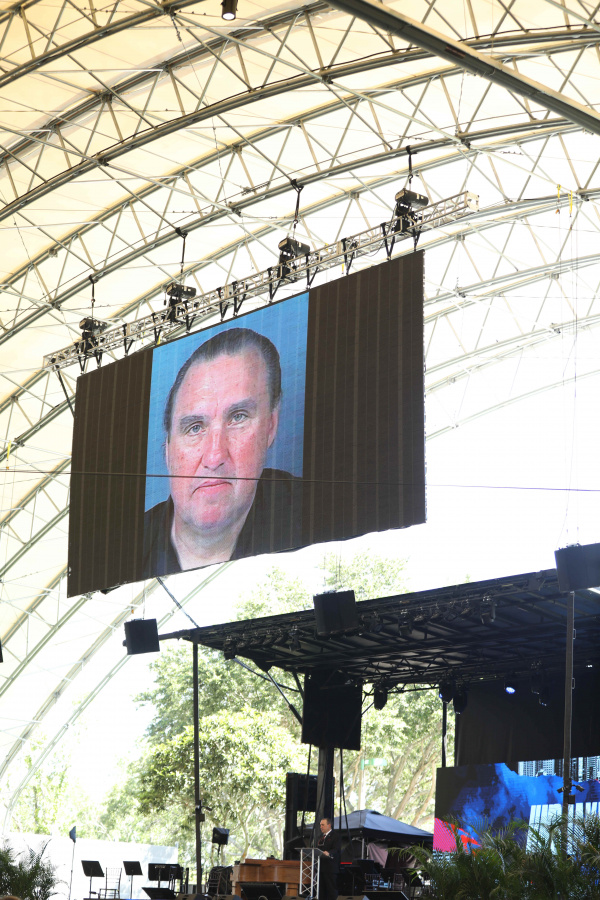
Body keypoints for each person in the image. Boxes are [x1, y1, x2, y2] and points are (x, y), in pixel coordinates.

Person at [143, 327, 302, 577]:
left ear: (271, 426)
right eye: (195, 428)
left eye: (238, 417)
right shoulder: (122, 548)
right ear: (168, 450)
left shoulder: (319, 513)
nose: (214, 457)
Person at [318, 816, 341, 900]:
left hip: (330, 868)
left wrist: (329, 853)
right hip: (321, 868)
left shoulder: (335, 836)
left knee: (331, 890)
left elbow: (336, 849)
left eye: (323, 825)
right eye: (320, 825)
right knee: (321, 890)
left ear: (329, 825)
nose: (321, 827)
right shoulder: (320, 837)